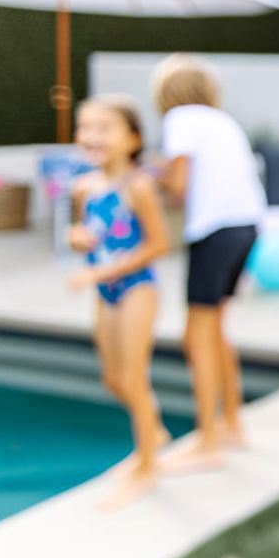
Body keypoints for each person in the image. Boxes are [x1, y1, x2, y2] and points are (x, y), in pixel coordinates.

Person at [152, 54, 265, 470]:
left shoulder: (180, 119)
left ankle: (207, 442)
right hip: (247, 225)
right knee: (215, 327)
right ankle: (232, 425)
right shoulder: (222, 120)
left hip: (214, 230)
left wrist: (150, 178)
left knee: (196, 335)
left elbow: (179, 188)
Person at [67, 94, 170, 511]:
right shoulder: (84, 187)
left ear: (132, 138)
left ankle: (147, 467)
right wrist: (76, 240)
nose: (91, 136)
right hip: (104, 290)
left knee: (134, 379)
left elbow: (159, 244)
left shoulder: (139, 186)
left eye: (103, 128)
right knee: (113, 379)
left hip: (136, 289)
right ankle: (155, 432)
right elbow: (84, 234)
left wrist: (101, 272)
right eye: (85, 127)